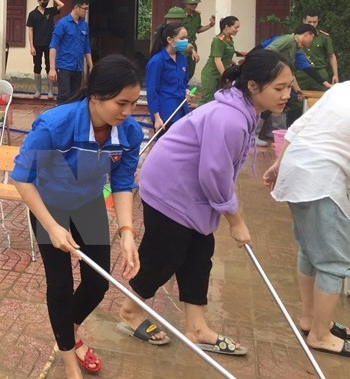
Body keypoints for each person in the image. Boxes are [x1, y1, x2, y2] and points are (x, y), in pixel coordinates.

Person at [118, 49, 294, 356]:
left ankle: (197, 327)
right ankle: (130, 312)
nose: (286, 95)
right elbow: (214, 174)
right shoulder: (230, 119)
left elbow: (218, 172)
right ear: (253, 86)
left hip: (190, 188)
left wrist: (227, 210)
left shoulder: (243, 112)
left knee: (199, 255)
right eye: (279, 88)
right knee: (164, 257)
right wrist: (235, 220)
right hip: (169, 188)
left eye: (289, 87)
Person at [12, 55, 143, 377]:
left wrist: (127, 230)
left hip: (88, 205)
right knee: (60, 284)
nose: (127, 113)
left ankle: (68, 333)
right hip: (50, 206)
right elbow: (21, 177)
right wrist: (53, 227)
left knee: (98, 284)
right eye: (121, 103)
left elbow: (123, 182)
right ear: (96, 95)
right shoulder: (55, 125)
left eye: (133, 103)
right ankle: (70, 361)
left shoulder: (129, 134)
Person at [263, 81, 350, 359]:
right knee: (334, 262)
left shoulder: (341, 89)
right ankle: (321, 335)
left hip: (297, 169)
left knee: (311, 250)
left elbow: (300, 126)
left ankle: (311, 319)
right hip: (323, 179)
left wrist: (279, 163)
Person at [258, 24, 331, 142]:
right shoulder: (288, 39)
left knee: (284, 102)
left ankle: (275, 133)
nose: (312, 41)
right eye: (312, 38)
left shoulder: (296, 47)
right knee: (266, 104)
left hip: (279, 79)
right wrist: (275, 70)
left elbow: (290, 73)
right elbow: (269, 51)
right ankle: (254, 135)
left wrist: (298, 91)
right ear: (307, 34)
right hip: (269, 77)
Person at [145, 23, 191, 134]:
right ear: (170, 40)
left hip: (182, 109)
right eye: (182, 38)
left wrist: (186, 90)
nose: (186, 41)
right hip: (165, 113)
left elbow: (184, 81)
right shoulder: (157, 61)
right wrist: (156, 117)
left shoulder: (182, 58)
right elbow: (152, 91)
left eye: (186, 38)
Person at [48, 0, 92, 104]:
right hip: (64, 66)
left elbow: (86, 47)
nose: (86, 11)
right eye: (84, 8)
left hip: (78, 67)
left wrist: (91, 66)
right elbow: (53, 46)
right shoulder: (62, 24)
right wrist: (52, 68)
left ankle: (72, 119)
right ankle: (61, 119)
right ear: (76, 7)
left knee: (76, 96)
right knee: (64, 95)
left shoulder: (84, 25)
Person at [27, 0, 64, 100]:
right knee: (37, 66)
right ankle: (38, 90)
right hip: (37, 44)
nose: (46, 2)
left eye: (47, 1)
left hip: (49, 44)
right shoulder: (32, 14)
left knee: (49, 67)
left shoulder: (50, 11)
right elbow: (30, 30)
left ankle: (50, 91)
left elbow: (62, 5)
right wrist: (31, 46)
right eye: (44, 1)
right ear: (38, 1)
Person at [199, 16, 240, 104]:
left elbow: (226, 56)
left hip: (220, 74)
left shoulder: (229, 39)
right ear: (227, 27)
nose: (237, 30)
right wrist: (225, 76)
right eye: (235, 27)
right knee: (208, 100)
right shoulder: (219, 40)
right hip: (212, 75)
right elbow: (217, 60)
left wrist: (234, 64)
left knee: (217, 100)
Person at [296, 10, 340, 90]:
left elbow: (331, 55)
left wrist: (335, 74)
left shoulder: (324, 37)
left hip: (320, 72)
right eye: (309, 22)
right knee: (298, 97)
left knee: (323, 98)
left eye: (314, 22)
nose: (312, 24)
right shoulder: (297, 36)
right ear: (304, 20)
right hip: (302, 72)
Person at [180, 0, 216, 81]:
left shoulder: (197, 15)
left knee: (191, 70)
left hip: (193, 44)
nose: (194, 5)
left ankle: (185, 87)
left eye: (195, 3)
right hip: (182, 45)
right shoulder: (180, 15)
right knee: (181, 69)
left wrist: (210, 25)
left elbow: (198, 29)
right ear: (186, 4)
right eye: (191, 4)